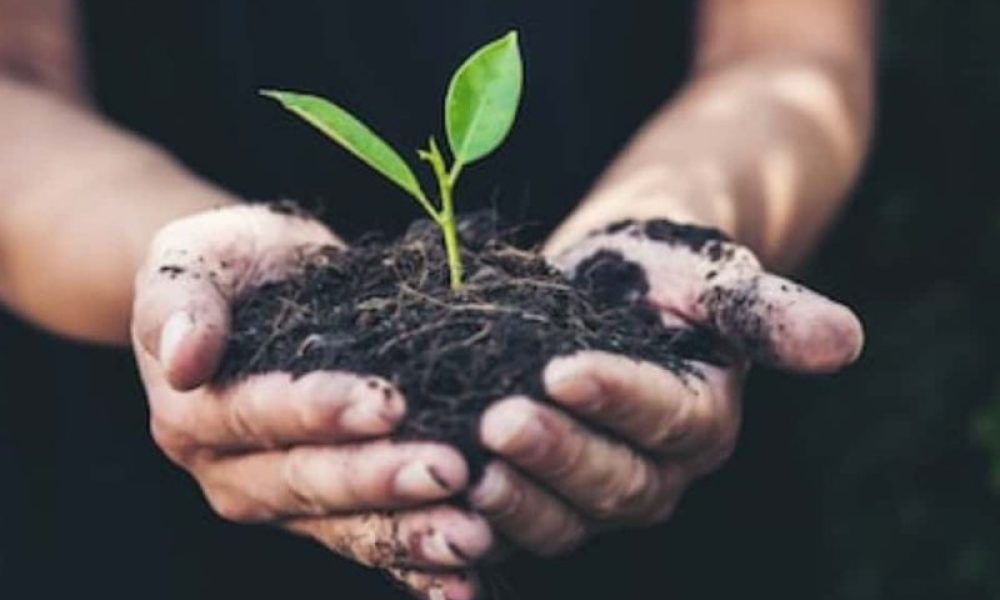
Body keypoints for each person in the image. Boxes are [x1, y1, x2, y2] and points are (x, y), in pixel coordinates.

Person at [0, 1, 874, 598]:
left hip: (661, 493)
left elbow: (790, 48)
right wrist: (185, 271)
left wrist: (678, 223)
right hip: (154, 494)